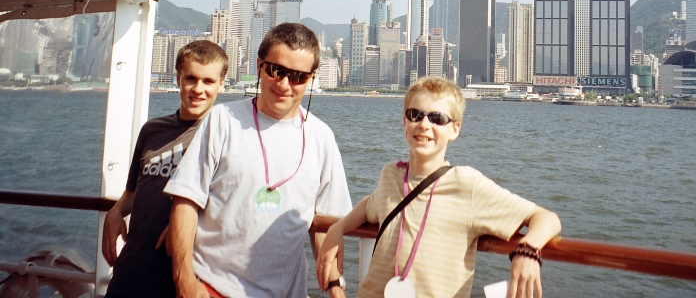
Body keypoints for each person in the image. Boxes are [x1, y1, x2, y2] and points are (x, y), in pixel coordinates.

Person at [316, 76, 562, 298]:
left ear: (454, 129)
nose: (424, 124)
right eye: (415, 115)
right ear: (404, 122)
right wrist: (339, 228)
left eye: (437, 118)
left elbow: (546, 218)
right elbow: (371, 204)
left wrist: (527, 252)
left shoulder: (468, 185)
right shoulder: (391, 174)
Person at [165, 22, 352, 298]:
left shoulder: (321, 137)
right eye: (276, 71)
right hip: (211, 287)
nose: (285, 84)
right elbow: (185, 202)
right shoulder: (222, 120)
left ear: (311, 78)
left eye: (298, 76)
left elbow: (327, 226)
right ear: (259, 67)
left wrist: (336, 290)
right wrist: (185, 282)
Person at [102, 40, 228, 298]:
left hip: (183, 274)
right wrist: (115, 213)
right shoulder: (152, 130)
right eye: (190, 78)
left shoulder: (224, 137)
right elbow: (133, 192)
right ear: (177, 78)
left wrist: (183, 224)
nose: (198, 89)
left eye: (208, 81)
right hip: (132, 270)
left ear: (221, 84)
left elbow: (232, 205)